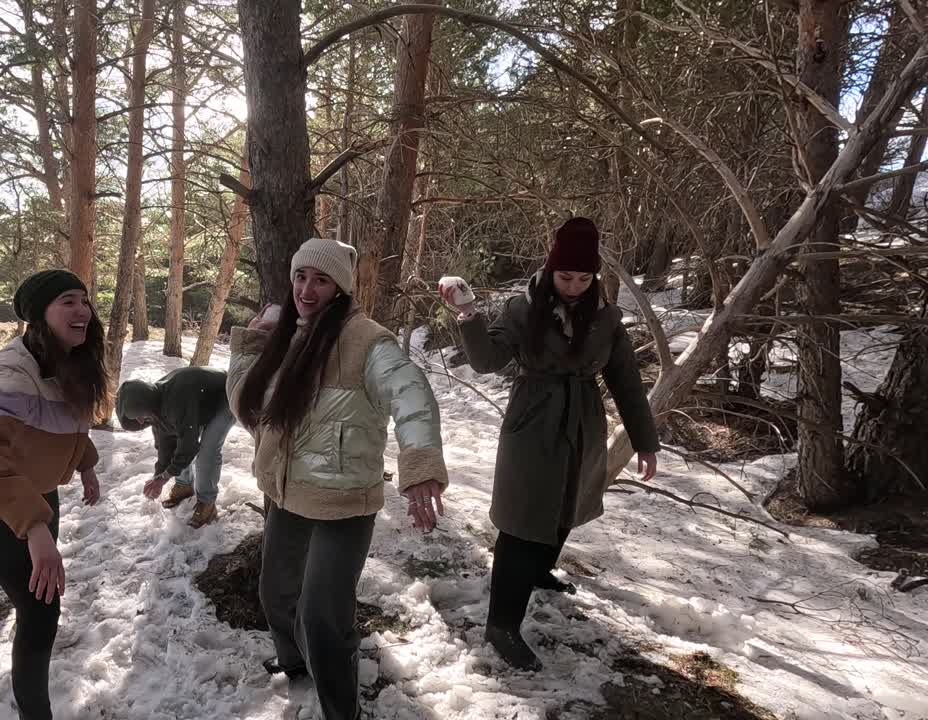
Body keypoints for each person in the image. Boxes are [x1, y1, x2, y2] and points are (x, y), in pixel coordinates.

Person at [228, 237, 449, 720]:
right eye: (300, 276)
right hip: (285, 493)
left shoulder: (366, 340)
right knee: (275, 594)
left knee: (324, 619)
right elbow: (249, 407)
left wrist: (420, 464)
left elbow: (411, 394)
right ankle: (296, 664)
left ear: (341, 287)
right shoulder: (289, 332)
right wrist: (252, 344)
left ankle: (339, 710)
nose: (307, 289)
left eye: (321, 279)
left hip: (342, 502)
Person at [438, 217, 660, 672]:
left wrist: (645, 441)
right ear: (550, 268)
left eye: (583, 278)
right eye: (566, 277)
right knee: (522, 521)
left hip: (582, 421)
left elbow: (626, 381)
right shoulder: (522, 310)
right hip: (534, 421)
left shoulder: (605, 317)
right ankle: (501, 625)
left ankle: (540, 572)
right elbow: (486, 360)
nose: (574, 287)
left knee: (567, 507)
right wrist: (468, 315)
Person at [0, 269, 109, 720]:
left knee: (36, 604)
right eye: (67, 301)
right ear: (41, 315)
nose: (82, 310)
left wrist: (86, 463)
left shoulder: (69, 359)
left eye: (84, 299)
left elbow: (60, 424)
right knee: (41, 611)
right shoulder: (11, 371)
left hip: (36, 497)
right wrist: (36, 529)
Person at [115, 366, 233, 528]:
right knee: (178, 442)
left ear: (145, 405)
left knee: (208, 451)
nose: (141, 421)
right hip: (197, 402)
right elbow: (165, 446)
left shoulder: (176, 401)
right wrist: (159, 476)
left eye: (140, 416)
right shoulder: (154, 407)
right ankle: (184, 486)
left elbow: (189, 446)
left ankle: (207, 503)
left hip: (225, 395)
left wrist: (165, 478)